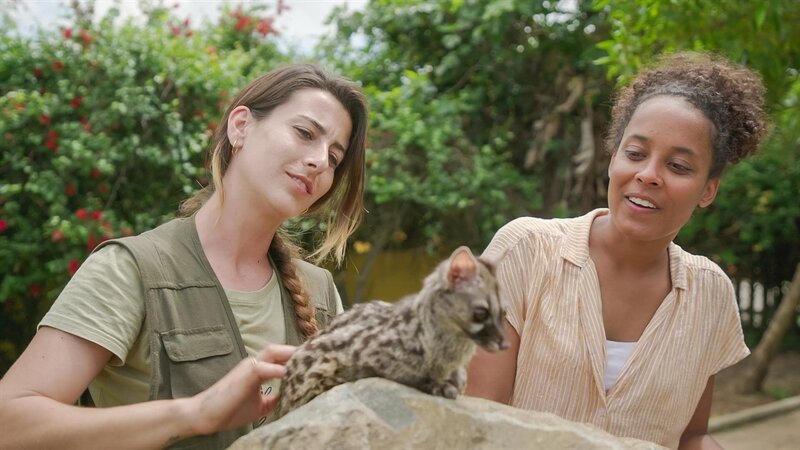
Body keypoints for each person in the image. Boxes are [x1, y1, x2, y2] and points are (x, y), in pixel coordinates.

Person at [0, 63, 368, 449]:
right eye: (305, 133)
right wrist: (195, 413)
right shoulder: (133, 269)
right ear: (241, 126)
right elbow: (10, 422)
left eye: (335, 158)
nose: (319, 161)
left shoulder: (321, 294)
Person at [466, 52, 768, 450]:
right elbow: (477, 415)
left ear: (708, 190)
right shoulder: (526, 251)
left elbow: (692, 435)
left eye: (678, 166)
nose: (648, 175)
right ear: (613, 159)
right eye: (636, 153)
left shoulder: (710, 295)